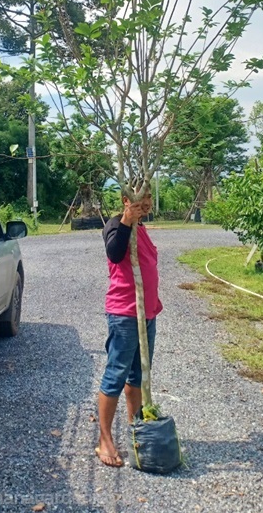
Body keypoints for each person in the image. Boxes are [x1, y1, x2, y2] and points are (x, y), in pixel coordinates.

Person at [96, 189, 163, 467]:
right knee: (116, 373)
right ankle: (104, 440)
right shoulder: (115, 224)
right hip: (124, 313)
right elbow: (114, 254)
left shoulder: (142, 227)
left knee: (138, 374)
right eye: (141, 199)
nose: (146, 204)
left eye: (149, 198)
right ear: (126, 200)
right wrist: (125, 221)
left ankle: (136, 428)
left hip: (147, 313)